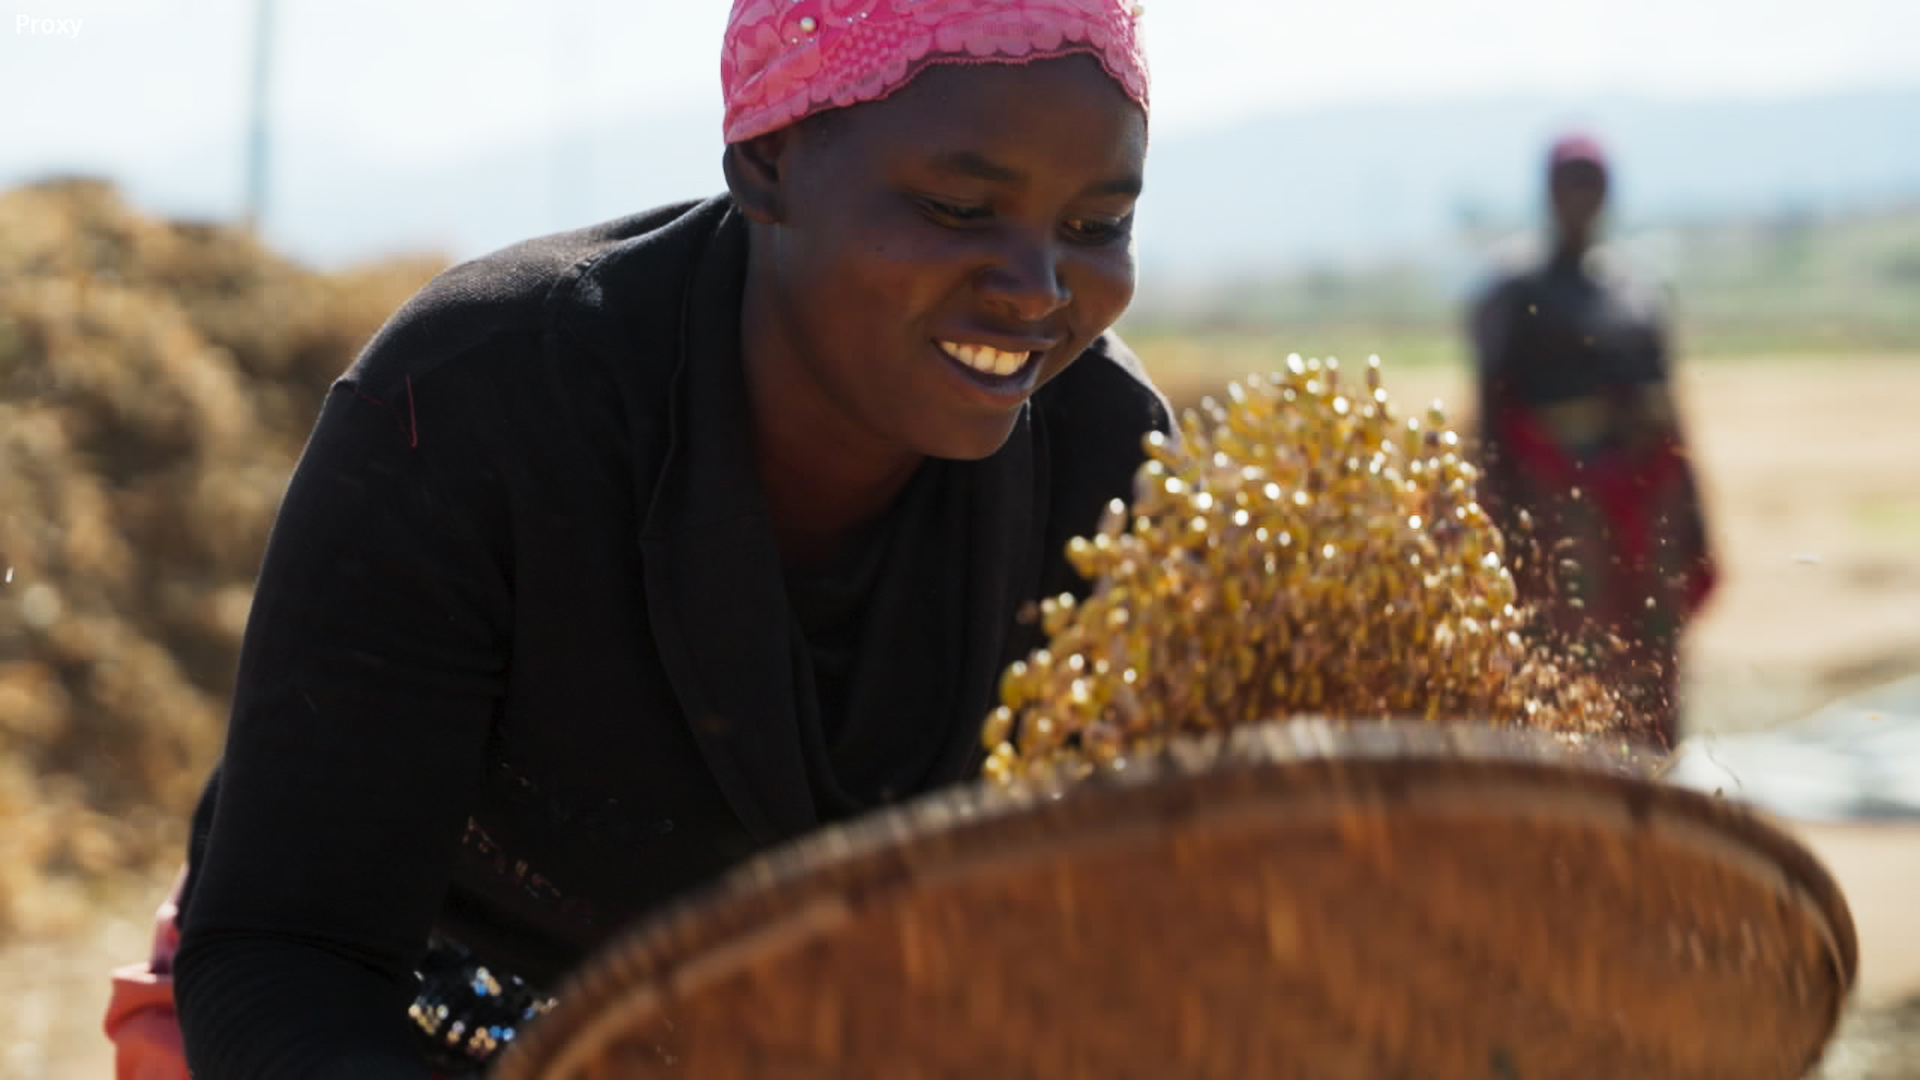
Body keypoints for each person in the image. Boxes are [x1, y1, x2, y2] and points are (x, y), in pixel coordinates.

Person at [104, 2, 1165, 1076]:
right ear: (766, 162)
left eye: (1094, 227)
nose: (1036, 288)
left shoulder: (1111, 477)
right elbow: (290, 951)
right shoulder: (482, 403)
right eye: (958, 206)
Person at [1467, 134, 1717, 748]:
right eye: (1569, 182)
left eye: (1591, 183)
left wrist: (1693, 526)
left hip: (1639, 523)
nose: (1581, 196)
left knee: (1649, 666)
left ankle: (1654, 798)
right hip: (1560, 523)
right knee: (1562, 664)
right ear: (1549, 192)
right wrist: (1497, 528)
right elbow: (1496, 418)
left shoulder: (1635, 294)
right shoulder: (1513, 292)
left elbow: (1669, 417)